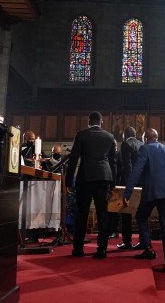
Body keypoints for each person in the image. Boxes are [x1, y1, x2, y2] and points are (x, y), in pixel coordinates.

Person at [123, 128, 165, 273]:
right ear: (157, 137)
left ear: (145, 139)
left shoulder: (145, 149)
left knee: (141, 216)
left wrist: (128, 192)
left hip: (152, 192)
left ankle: (148, 249)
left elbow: (136, 170)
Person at [65, 111, 117, 259]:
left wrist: (69, 181)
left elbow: (74, 159)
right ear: (101, 122)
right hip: (104, 177)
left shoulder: (81, 135)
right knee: (103, 214)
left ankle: (78, 249)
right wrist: (113, 183)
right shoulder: (110, 137)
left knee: (82, 213)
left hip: (85, 177)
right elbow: (113, 162)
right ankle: (102, 250)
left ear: (89, 122)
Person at [116, 127, 143, 251]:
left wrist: (128, 185)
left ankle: (127, 242)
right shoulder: (142, 144)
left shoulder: (126, 144)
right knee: (142, 212)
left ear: (125, 135)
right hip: (142, 183)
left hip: (130, 182)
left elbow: (128, 165)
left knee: (126, 212)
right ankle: (143, 240)